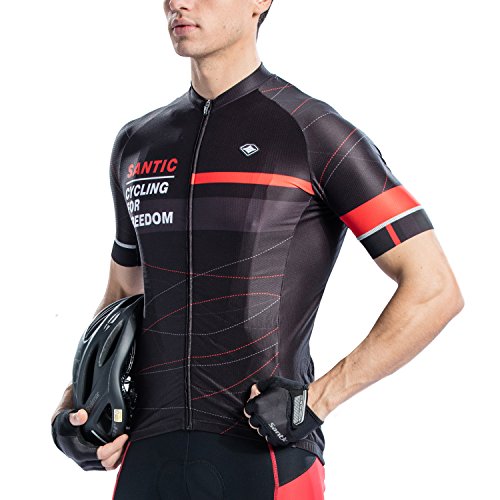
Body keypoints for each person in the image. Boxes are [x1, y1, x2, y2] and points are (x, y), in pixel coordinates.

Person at [51, 0, 464, 498]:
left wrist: (317, 400)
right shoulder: (139, 143)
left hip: (265, 459)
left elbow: (434, 288)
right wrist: (79, 399)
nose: (178, 2)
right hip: (147, 459)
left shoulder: (312, 132)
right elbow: (124, 291)